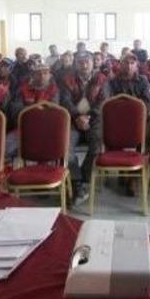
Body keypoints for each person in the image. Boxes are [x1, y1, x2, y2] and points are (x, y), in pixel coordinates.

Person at [59, 56, 108, 200]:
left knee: (96, 146)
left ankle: (82, 177)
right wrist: (77, 117)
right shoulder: (67, 79)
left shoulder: (101, 79)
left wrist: (88, 117)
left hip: (94, 120)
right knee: (66, 148)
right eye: (81, 62)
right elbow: (65, 100)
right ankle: (76, 182)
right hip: (73, 120)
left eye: (87, 62)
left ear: (93, 64)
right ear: (76, 64)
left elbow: (103, 101)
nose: (84, 65)